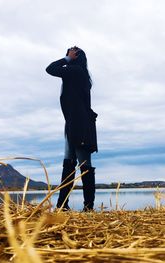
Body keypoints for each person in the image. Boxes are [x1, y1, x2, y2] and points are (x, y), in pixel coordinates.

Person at [46, 46, 98, 211]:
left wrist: (67, 59)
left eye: (70, 53)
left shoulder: (76, 71)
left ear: (76, 57)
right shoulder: (77, 74)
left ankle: (88, 207)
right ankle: (62, 206)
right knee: (69, 164)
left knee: (84, 166)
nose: (66, 55)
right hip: (74, 123)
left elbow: (50, 69)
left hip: (80, 124)